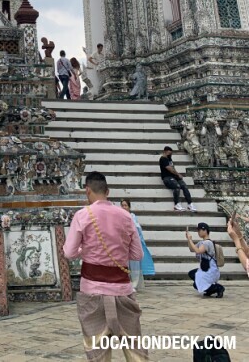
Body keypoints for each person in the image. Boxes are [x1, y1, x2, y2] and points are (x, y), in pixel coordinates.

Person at [64, 171, 147, 361]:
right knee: (135, 351)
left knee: (98, 353)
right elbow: (137, 254)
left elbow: (69, 253)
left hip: (92, 290)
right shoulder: (125, 216)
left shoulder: (83, 215)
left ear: (87, 191)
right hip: (123, 289)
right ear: (107, 191)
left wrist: (84, 250)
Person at [120, 200, 155, 290]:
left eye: (125, 205)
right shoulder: (118, 216)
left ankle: (134, 284)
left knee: (134, 264)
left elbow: (137, 228)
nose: (124, 207)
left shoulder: (132, 216)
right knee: (124, 264)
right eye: (122, 205)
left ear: (129, 207)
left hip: (132, 244)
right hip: (123, 244)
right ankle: (125, 283)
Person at [186, 223, 224, 297]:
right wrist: (188, 240)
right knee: (194, 278)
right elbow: (192, 249)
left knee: (197, 281)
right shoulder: (202, 242)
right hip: (205, 269)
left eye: (199, 230)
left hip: (210, 270)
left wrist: (190, 240)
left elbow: (198, 251)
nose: (198, 232)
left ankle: (218, 288)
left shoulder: (207, 243)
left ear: (205, 230)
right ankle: (210, 290)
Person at [159, 146, 196, 212]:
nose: (170, 155)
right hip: (167, 178)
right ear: (165, 152)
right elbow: (169, 168)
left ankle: (190, 204)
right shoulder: (163, 159)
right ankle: (177, 204)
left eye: (171, 153)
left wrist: (177, 176)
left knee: (184, 186)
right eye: (169, 153)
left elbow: (173, 168)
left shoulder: (169, 159)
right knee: (177, 187)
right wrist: (178, 174)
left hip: (174, 177)